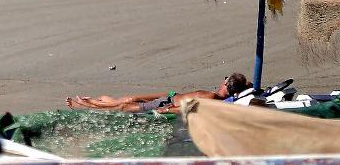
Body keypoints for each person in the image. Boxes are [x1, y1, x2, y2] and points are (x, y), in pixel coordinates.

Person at [67, 73, 250, 113]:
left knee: (125, 105)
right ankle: (94, 102)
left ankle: (87, 103)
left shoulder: (213, 99)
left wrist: (167, 110)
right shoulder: (215, 96)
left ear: (226, 84)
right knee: (128, 99)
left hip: (166, 103)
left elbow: (189, 108)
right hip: (169, 95)